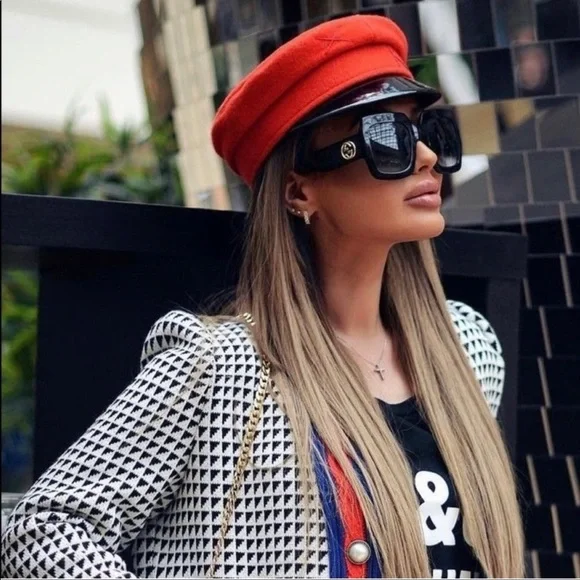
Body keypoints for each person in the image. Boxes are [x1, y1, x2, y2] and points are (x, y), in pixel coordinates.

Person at [1, 14, 525, 579]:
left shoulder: (467, 350)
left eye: (429, 133)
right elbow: (41, 529)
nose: (425, 157)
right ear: (300, 191)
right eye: (387, 137)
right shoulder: (218, 368)